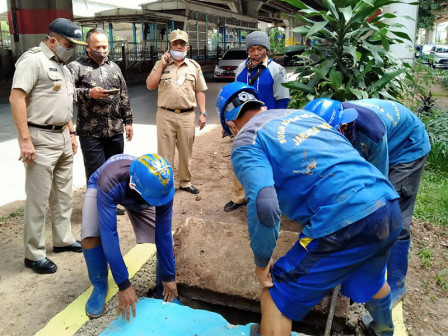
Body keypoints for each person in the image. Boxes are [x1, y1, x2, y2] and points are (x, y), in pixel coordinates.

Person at [217, 82, 402, 336]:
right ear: (262, 106)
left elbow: (265, 204)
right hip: (386, 203)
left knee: (275, 297)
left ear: (230, 126)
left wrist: (261, 261)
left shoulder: (247, 141)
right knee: (370, 279)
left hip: (344, 217)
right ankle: (384, 331)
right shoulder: (301, 115)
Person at [305, 98, 431, 307]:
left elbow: (377, 191)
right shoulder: (326, 122)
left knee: (392, 216)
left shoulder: (371, 134)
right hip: (385, 138)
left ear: (343, 127)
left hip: (407, 149)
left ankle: (395, 284)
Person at [9, 18, 87, 274]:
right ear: (53, 40)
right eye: (68, 44)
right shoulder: (33, 61)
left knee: (64, 195)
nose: (71, 49)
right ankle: (34, 253)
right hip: (40, 139)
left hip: (63, 136)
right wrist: (25, 140)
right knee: (38, 200)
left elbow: (65, 103)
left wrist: (72, 133)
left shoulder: (62, 66)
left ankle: (63, 239)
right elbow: (17, 97)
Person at [81, 153, 179, 320]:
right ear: (134, 186)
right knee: (90, 236)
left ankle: (163, 291)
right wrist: (124, 285)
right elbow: (109, 234)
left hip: (145, 194)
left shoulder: (162, 186)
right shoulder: (108, 182)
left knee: (166, 240)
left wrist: (169, 276)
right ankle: (99, 287)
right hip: (110, 186)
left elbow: (163, 233)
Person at [67, 27, 133, 216]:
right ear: (88, 48)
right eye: (98, 47)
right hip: (90, 132)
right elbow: (66, 93)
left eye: (105, 46)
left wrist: (128, 121)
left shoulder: (114, 66)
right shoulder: (76, 67)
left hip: (115, 129)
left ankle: (112, 203)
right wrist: (89, 93)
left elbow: (124, 96)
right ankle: (96, 207)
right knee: (96, 172)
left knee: (114, 170)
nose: (102, 50)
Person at [224, 31, 290, 212]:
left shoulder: (277, 70)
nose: (255, 53)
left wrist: (277, 123)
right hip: (241, 125)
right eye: (251, 49)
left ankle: (270, 197)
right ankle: (239, 197)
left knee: (268, 160)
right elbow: (232, 96)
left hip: (266, 124)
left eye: (259, 48)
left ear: (266, 49)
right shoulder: (240, 68)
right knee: (239, 158)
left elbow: (282, 99)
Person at [146, 29, 207, 195]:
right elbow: (150, 85)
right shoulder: (161, 65)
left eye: (182, 44)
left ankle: (185, 182)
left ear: (187, 47)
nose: (178, 47)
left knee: (186, 151)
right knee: (165, 152)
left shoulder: (194, 67)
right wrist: (161, 64)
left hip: (187, 115)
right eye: (175, 43)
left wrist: (203, 113)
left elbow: (200, 90)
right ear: (170, 46)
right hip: (165, 115)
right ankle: (166, 183)